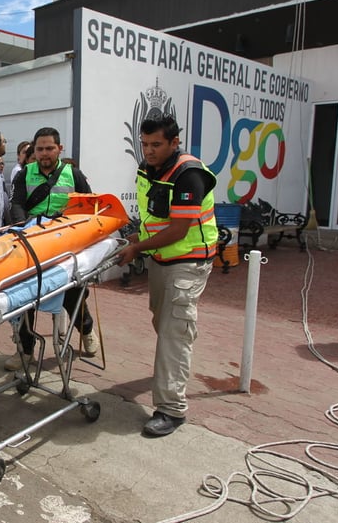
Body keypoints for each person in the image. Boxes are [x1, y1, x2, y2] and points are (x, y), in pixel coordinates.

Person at [116, 115, 218, 437]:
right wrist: (138, 239)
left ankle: (172, 409)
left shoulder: (189, 175)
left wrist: (138, 248)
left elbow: (178, 229)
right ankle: (178, 347)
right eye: (145, 144)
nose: (149, 150)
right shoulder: (148, 168)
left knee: (173, 332)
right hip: (161, 259)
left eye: (156, 144)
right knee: (164, 322)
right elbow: (154, 217)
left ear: (175, 142)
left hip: (187, 261)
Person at [6, 127, 99, 371]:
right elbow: (15, 205)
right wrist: (28, 229)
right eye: (39, 149)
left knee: (72, 295)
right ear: (33, 151)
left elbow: (87, 208)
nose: (44, 153)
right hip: (32, 243)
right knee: (24, 298)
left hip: (66, 244)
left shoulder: (74, 174)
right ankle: (25, 351)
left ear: (59, 148)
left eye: (49, 148)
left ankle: (86, 329)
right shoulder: (24, 174)